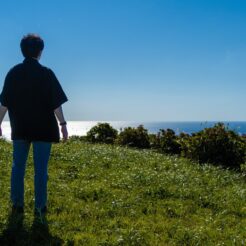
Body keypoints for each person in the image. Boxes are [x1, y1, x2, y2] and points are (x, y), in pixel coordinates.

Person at [0, 34, 68, 216]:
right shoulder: (47, 73)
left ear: (22, 50)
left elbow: (4, 104)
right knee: (41, 171)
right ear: (40, 52)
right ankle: (40, 207)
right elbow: (56, 104)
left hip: (20, 128)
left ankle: (17, 205)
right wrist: (63, 124)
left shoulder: (13, 73)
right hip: (44, 129)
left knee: (18, 167)